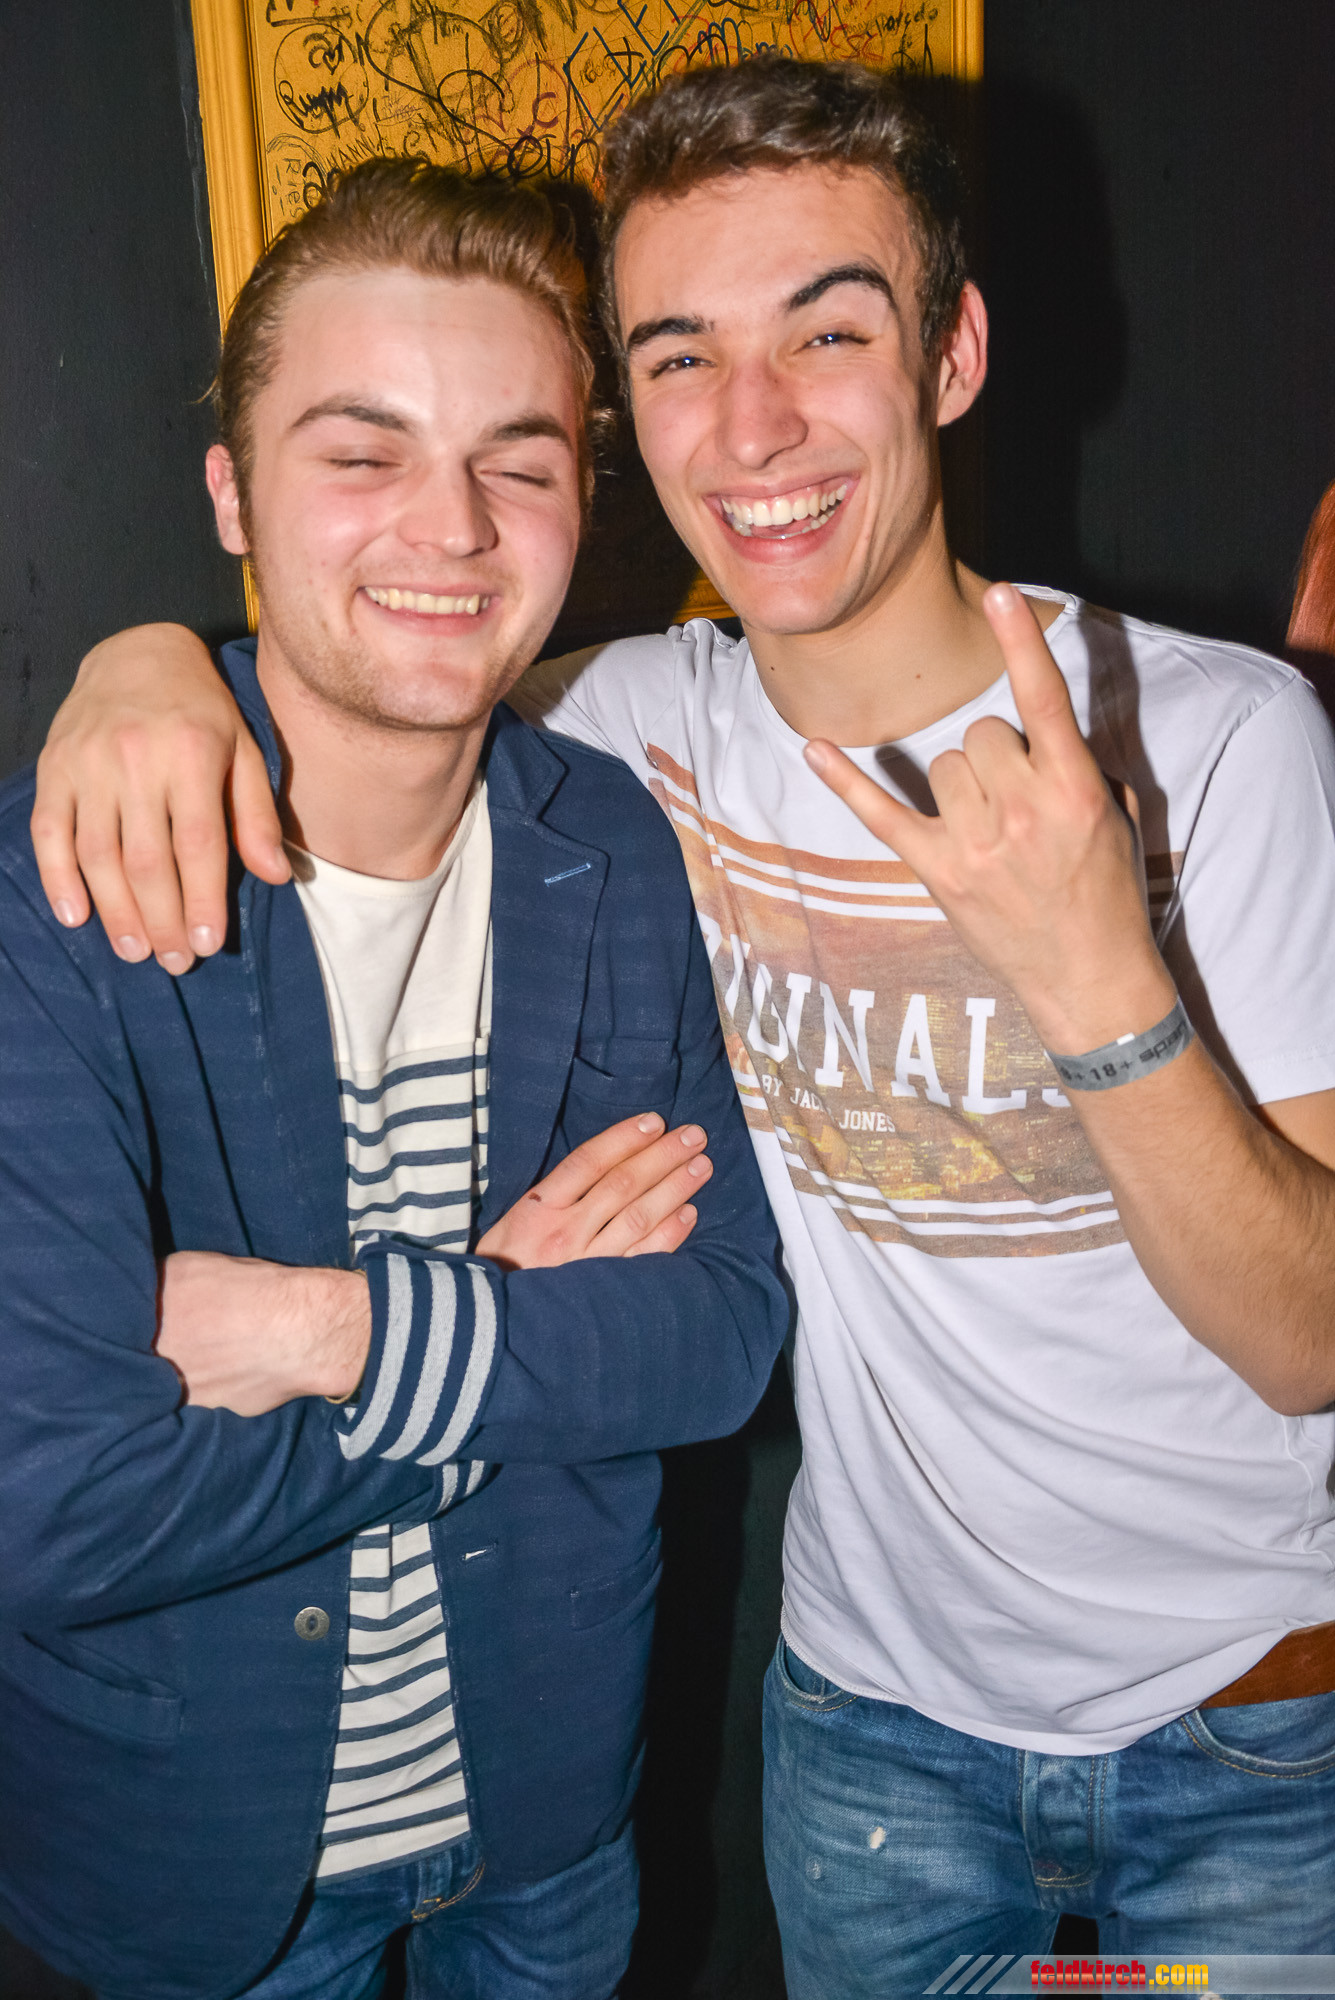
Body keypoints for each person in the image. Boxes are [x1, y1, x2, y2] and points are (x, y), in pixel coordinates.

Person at [29, 58, 1335, 1994]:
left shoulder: (1210, 740)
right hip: (872, 1724)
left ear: (954, 353)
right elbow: (391, 632)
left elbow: (1304, 1343)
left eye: (828, 332)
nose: (754, 422)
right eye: (677, 357)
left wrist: (1096, 986)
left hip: (1242, 1729)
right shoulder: (640, 730)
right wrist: (141, 663)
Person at [0, 157, 788, 2000]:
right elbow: (50, 1508)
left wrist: (325, 1332)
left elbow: (720, 1336)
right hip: (204, 1869)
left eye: (520, 462)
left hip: (550, 1819)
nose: (452, 527)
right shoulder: (58, 891)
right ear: (232, 494)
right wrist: (508, 1329)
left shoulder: (613, 836)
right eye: (364, 453)